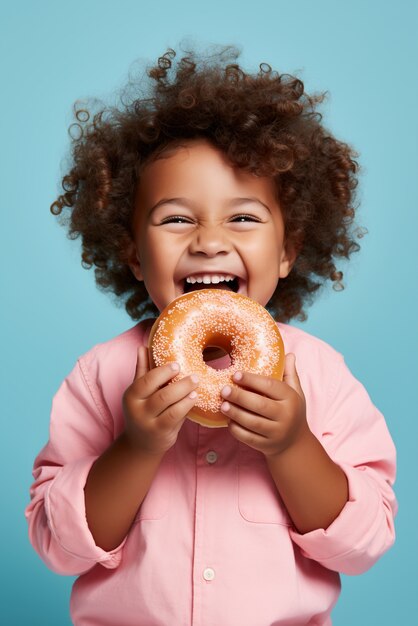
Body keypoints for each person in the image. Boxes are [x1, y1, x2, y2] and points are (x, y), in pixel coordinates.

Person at [25, 46, 397, 626]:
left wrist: (292, 444)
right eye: (177, 218)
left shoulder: (320, 374)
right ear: (131, 252)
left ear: (288, 251)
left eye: (243, 218)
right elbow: (58, 547)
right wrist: (137, 446)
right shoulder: (100, 376)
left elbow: (364, 543)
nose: (208, 241)